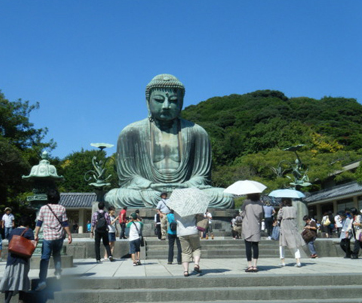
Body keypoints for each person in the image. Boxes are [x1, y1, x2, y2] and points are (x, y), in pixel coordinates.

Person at [105, 74, 233, 209]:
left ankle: (174, 202)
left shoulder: (197, 132)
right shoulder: (131, 132)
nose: (166, 106)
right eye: (159, 100)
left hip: (186, 191)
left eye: (173, 100)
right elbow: (128, 177)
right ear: (148, 101)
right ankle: (176, 203)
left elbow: (202, 176)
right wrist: (149, 185)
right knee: (114, 197)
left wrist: (186, 185)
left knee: (224, 197)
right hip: (149, 192)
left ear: (181, 102)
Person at [34, 189, 72, 291]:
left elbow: (39, 223)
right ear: (58, 198)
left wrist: (36, 234)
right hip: (59, 237)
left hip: (47, 237)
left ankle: (42, 281)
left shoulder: (43, 208)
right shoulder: (62, 208)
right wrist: (69, 235)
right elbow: (65, 223)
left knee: (44, 259)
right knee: (57, 255)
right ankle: (58, 272)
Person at [0, 215, 34, 303]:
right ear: (28, 223)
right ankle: (21, 300)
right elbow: (31, 245)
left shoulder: (13, 231)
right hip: (23, 259)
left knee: (10, 279)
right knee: (22, 279)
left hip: (11, 259)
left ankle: (7, 301)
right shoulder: (29, 231)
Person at [278, 198, 305, 267]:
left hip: (284, 228)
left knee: (282, 245)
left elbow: (278, 217)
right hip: (293, 228)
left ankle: (283, 261)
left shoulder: (282, 209)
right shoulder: (294, 208)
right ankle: (298, 261)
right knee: (295, 245)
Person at [241, 193, 264, 272]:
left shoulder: (246, 203)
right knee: (255, 246)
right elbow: (261, 215)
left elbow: (242, 214)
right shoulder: (260, 204)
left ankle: (249, 265)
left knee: (248, 246)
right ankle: (255, 265)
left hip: (247, 226)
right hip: (256, 226)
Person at [175, 212, 202, 277]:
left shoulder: (176, 211)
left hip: (182, 232)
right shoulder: (193, 210)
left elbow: (175, 221)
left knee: (185, 252)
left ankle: (186, 271)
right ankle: (196, 264)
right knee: (196, 248)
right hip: (193, 231)